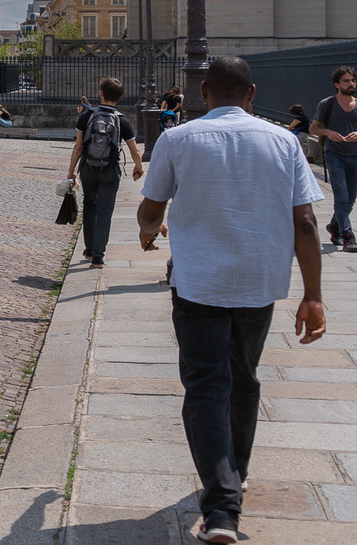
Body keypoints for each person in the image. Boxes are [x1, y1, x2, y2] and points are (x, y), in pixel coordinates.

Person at [136, 56, 325, 545]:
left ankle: (221, 511)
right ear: (252, 92)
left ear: (203, 92)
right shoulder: (284, 140)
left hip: (200, 282)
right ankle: (235, 475)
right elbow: (305, 222)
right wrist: (314, 296)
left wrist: (148, 228)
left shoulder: (177, 139)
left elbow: (150, 208)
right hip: (260, 281)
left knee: (205, 386)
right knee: (243, 379)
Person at [66, 78, 143, 268]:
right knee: (105, 212)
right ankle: (99, 257)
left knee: (89, 206)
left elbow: (78, 147)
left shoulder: (86, 115)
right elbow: (134, 150)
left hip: (88, 169)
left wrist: (71, 171)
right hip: (110, 171)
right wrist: (138, 166)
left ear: (101, 93)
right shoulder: (122, 120)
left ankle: (89, 250)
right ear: (119, 96)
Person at [310, 65, 357, 252]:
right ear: (337, 84)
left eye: (353, 80)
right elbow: (313, 128)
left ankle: (334, 226)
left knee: (351, 199)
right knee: (342, 197)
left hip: (355, 155)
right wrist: (327, 132)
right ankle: (348, 236)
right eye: (346, 81)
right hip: (334, 154)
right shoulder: (327, 104)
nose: (351, 84)